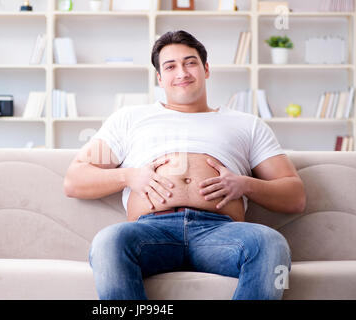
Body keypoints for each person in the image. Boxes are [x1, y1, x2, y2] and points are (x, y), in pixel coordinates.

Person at [63, 30, 306, 300]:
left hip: (221, 233)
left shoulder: (247, 124)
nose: (182, 72)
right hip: (150, 232)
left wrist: (245, 185)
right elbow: (74, 180)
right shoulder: (129, 119)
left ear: (206, 69)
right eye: (170, 66)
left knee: (271, 244)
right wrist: (129, 177)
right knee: (108, 242)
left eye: (190, 63)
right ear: (160, 78)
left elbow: (294, 197)